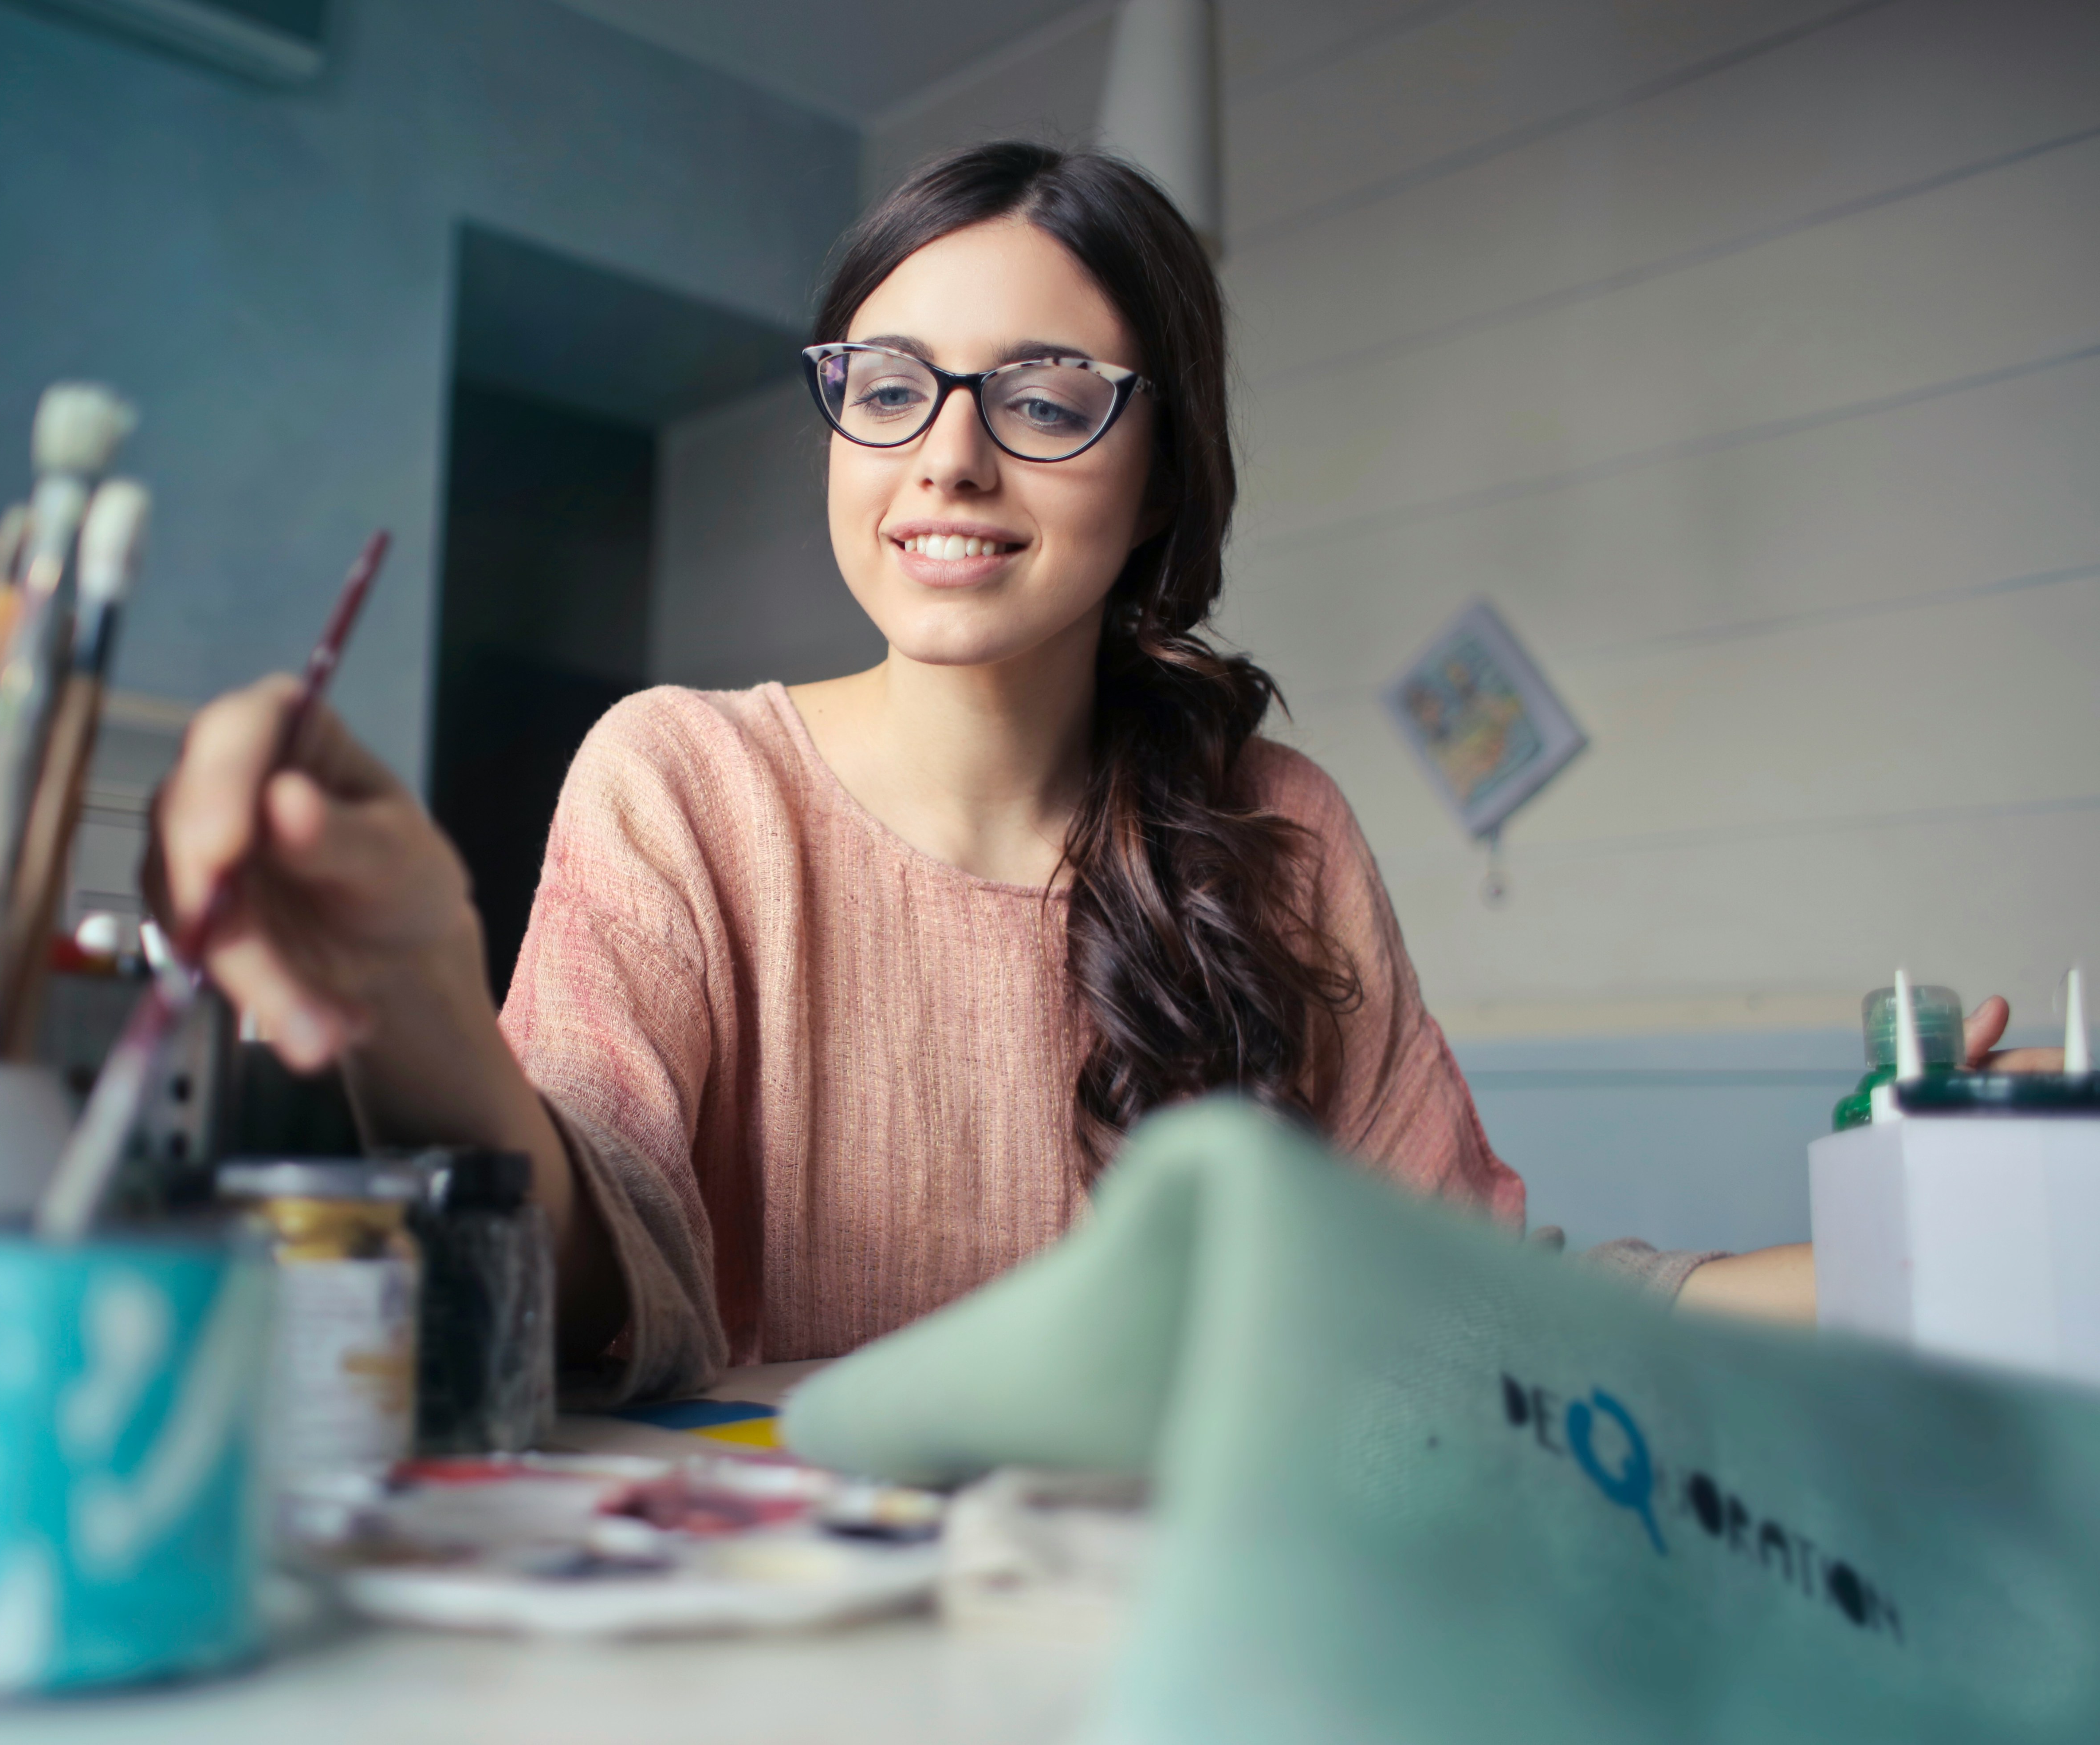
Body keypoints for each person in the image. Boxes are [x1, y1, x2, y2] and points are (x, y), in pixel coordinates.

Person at [148, 143, 2050, 1402]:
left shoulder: (1272, 836)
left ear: (1158, 475)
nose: (947, 459)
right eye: (885, 385)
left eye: (1045, 396)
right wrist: (413, 997)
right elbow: (591, 1282)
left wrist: (1939, 1217)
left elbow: (1475, 1306)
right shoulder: (680, 785)